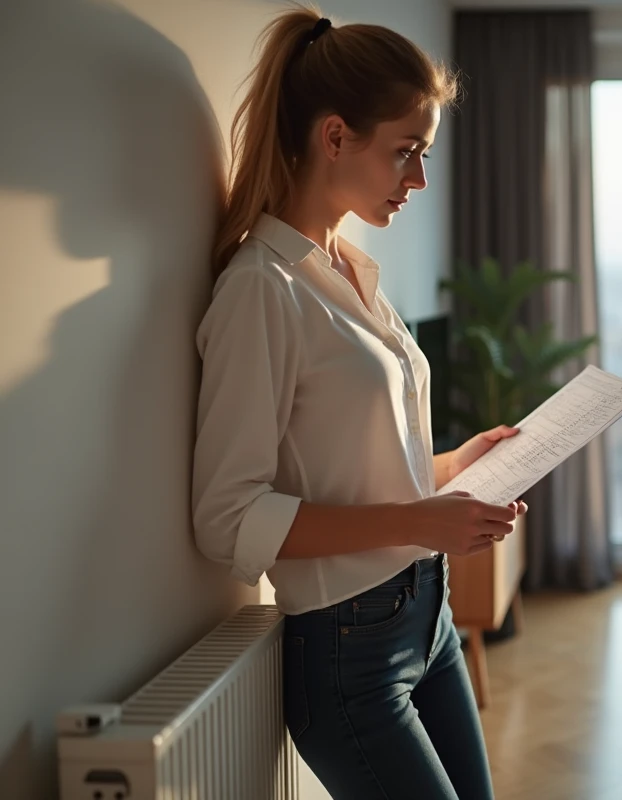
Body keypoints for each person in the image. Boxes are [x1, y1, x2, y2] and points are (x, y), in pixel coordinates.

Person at [191, 8, 522, 799]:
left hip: (428, 618)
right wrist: (417, 520)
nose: (419, 180)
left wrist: (453, 466)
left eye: (424, 154)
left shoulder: (350, 270)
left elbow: (355, 471)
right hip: (348, 652)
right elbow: (228, 516)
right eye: (404, 152)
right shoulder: (259, 293)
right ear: (334, 137)